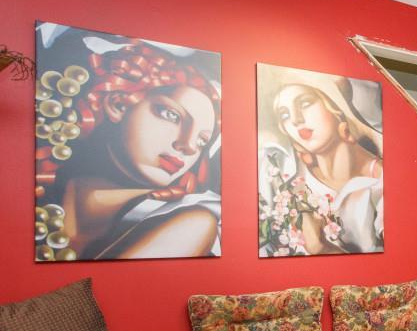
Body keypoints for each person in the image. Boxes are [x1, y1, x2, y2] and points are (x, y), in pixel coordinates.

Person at [34, 26, 222, 261]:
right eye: (172, 115)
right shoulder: (44, 204)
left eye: (202, 140)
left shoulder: (194, 220)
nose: (189, 146)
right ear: (119, 104)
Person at [257, 65, 383, 256]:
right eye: (285, 115)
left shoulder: (380, 182)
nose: (296, 120)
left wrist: (322, 248)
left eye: (305, 103)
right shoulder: (282, 173)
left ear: (336, 108)